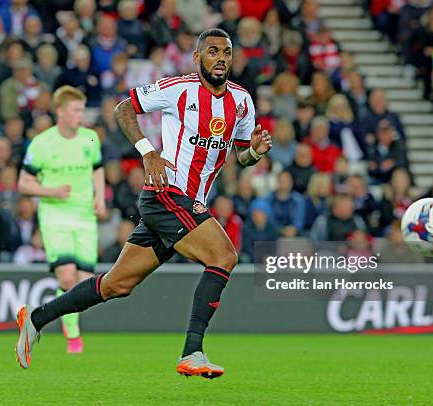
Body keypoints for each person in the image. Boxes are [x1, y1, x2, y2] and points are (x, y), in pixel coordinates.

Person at [15, 28, 272, 378]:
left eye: (226, 52)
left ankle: (36, 317)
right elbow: (124, 110)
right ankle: (193, 351)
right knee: (223, 256)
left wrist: (254, 151)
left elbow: (242, 156)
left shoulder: (242, 101)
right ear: (197, 58)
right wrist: (148, 151)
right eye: (212, 52)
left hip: (182, 202)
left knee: (116, 285)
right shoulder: (178, 89)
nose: (221, 58)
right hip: (168, 193)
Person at [18, 85, 106, 354]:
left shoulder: (90, 138)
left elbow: (97, 170)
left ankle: (57, 325)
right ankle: (74, 339)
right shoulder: (42, 143)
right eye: (75, 110)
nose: (81, 115)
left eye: (82, 109)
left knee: (85, 283)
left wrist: (100, 198)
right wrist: (50, 191)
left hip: (85, 217)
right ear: (60, 112)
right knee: (68, 278)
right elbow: (23, 183)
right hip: (55, 215)